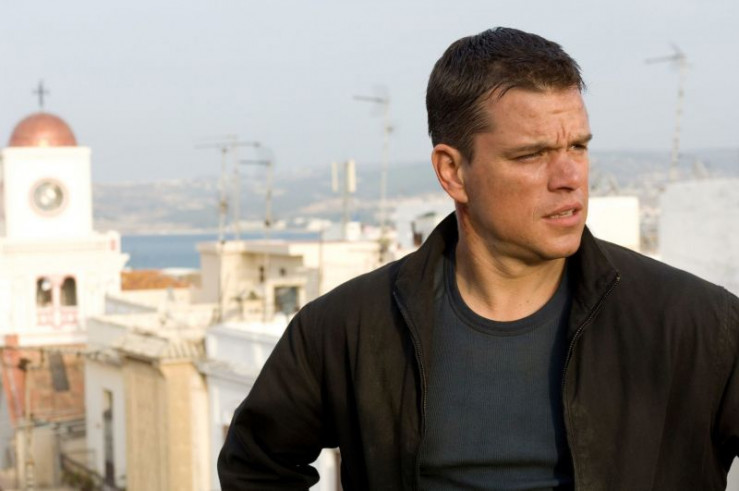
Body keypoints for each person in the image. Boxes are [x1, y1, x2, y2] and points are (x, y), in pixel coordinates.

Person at [218, 27, 739, 490]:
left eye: (578, 147)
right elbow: (256, 467)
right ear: (453, 172)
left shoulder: (697, 325)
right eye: (531, 154)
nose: (570, 178)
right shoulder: (347, 328)